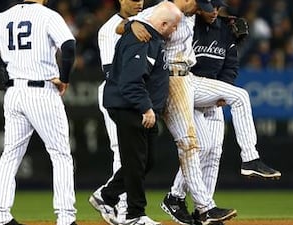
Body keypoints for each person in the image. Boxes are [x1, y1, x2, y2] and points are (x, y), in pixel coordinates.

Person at [160, 2, 282, 225]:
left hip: (209, 92)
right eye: (209, 6)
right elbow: (175, 10)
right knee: (242, 97)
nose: (214, 10)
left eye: (217, 6)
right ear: (197, 6)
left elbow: (231, 66)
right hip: (186, 85)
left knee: (211, 151)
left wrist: (218, 93)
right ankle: (250, 159)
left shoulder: (226, 29)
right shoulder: (186, 23)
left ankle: (200, 209)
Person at [118, 0, 237, 225]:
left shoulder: (191, 14)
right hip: (170, 78)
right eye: (204, 5)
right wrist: (131, 25)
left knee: (205, 145)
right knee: (189, 144)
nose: (208, 9)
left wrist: (225, 25)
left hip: (187, 77)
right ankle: (203, 207)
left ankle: (189, 202)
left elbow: (208, 17)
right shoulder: (162, 9)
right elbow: (119, 27)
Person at [0, 1, 77, 225]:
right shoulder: (48, 15)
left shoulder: (4, 16)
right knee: (60, 155)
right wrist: (65, 78)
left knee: (10, 155)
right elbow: (68, 46)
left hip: (13, 93)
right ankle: (66, 217)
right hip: (42, 91)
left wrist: (1, 65)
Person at [91, 2, 182, 225]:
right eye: (173, 26)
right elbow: (128, 79)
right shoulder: (140, 38)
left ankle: (106, 195)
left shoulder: (146, 30)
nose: (175, 31)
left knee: (145, 160)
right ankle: (133, 214)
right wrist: (145, 106)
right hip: (129, 104)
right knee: (132, 159)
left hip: (138, 103)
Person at [88, 0, 144, 223]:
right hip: (117, 91)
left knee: (136, 153)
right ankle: (119, 207)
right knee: (122, 150)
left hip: (136, 91)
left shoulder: (146, 20)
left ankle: (110, 199)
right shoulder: (109, 28)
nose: (138, 2)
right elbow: (113, 71)